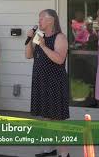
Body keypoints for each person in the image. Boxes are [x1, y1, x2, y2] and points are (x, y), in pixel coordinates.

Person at [25, 9, 69, 157]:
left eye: (41, 18)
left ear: (51, 20)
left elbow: (59, 59)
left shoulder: (60, 37)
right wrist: (29, 40)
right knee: (46, 117)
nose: (39, 21)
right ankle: (49, 149)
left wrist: (43, 46)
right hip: (40, 80)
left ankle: (64, 153)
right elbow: (28, 55)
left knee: (57, 119)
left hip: (54, 82)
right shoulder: (39, 36)